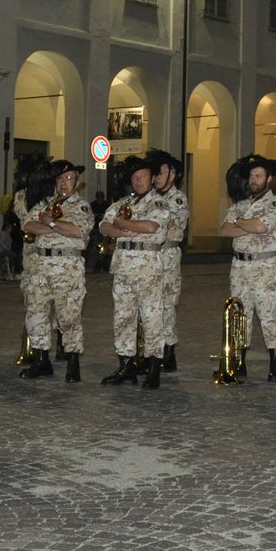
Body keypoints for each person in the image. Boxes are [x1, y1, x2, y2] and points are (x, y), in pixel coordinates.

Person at [18, 159, 91, 382]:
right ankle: (41, 360)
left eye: (69, 178)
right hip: (40, 267)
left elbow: (77, 230)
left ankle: (72, 362)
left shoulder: (81, 206)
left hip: (67, 268)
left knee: (68, 316)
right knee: (36, 314)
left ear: (77, 183)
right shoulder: (44, 204)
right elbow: (28, 225)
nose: (64, 183)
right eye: (60, 179)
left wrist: (49, 225)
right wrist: (56, 227)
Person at [100, 155, 170, 388]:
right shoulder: (123, 203)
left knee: (152, 319)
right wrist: (122, 231)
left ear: (152, 179)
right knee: (123, 318)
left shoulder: (158, 203)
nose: (139, 181)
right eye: (135, 177)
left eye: (143, 176)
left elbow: (150, 226)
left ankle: (153, 369)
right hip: (123, 269)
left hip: (148, 269)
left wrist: (122, 224)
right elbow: (103, 225)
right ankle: (126, 366)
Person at [219, 153, 276, 380]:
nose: (253, 180)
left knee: (268, 315)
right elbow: (224, 230)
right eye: (251, 176)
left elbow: (259, 227)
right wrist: (244, 225)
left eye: (258, 175)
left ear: (269, 180)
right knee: (240, 314)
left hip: (264, 266)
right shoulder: (240, 204)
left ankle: (275, 364)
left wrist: (240, 223)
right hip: (239, 266)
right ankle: (239, 363)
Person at [148, 150, 188, 374]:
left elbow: (165, 224)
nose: (156, 177)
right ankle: (151, 351)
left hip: (168, 255)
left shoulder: (177, 198)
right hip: (149, 257)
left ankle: (168, 353)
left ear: (172, 175)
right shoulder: (150, 197)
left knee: (166, 305)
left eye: (161, 173)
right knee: (149, 305)